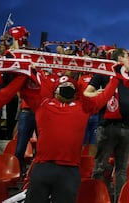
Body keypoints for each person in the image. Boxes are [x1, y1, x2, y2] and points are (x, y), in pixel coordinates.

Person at [22, 72, 122, 203]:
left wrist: (116, 77)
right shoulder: (43, 104)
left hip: (68, 170)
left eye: (70, 86)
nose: (67, 87)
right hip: (43, 166)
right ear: (55, 91)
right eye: (63, 85)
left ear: (76, 92)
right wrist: (26, 72)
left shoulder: (83, 107)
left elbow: (105, 96)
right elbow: (24, 90)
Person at [85, 48, 129, 202]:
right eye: (128, 56)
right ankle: (97, 198)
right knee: (100, 167)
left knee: (122, 170)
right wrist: (100, 94)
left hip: (126, 128)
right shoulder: (103, 73)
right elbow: (87, 93)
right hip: (107, 127)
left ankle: (119, 200)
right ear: (120, 57)